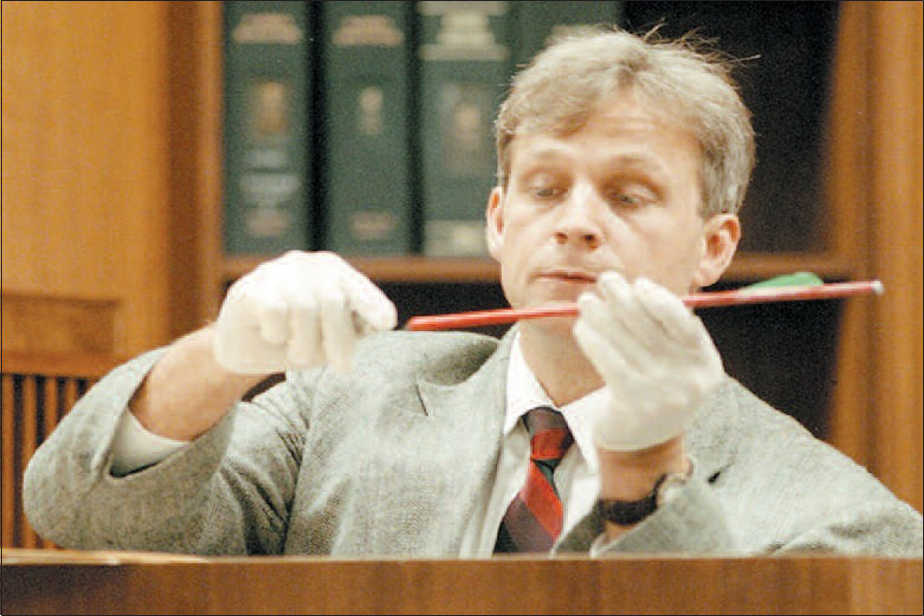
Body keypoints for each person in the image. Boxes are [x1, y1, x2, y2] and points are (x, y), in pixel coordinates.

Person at [24, 26, 922, 557]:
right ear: (498, 220)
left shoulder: (844, 518)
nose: (573, 223)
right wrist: (219, 359)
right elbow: (78, 510)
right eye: (544, 189)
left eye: (628, 194)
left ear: (714, 248)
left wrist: (646, 468)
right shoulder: (346, 399)